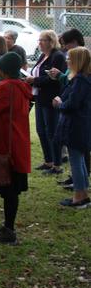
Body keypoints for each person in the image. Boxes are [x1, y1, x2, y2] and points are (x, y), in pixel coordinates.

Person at [0, 52, 32, 244]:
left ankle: (9, 231)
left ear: (5, 70)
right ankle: (8, 227)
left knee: (9, 189)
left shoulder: (5, 86)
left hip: (5, 143)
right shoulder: (22, 87)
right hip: (17, 143)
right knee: (13, 189)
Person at [53, 47, 91, 208]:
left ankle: (79, 196)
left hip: (76, 125)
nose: (67, 60)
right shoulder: (82, 78)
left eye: (70, 58)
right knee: (79, 159)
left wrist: (60, 104)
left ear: (77, 61)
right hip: (80, 124)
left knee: (76, 160)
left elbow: (73, 104)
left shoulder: (81, 80)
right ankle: (83, 193)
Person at [25, 30, 67, 175]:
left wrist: (34, 80)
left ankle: (57, 164)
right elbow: (38, 72)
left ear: (51, 41)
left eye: (42, 40)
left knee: (51, 131)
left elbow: (53, 78)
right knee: (41, 130)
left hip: (51, 98)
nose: (40, 43)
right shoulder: (43, 55)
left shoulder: (58, 56)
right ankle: (48, 161)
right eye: (39, 40)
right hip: (39, 97)